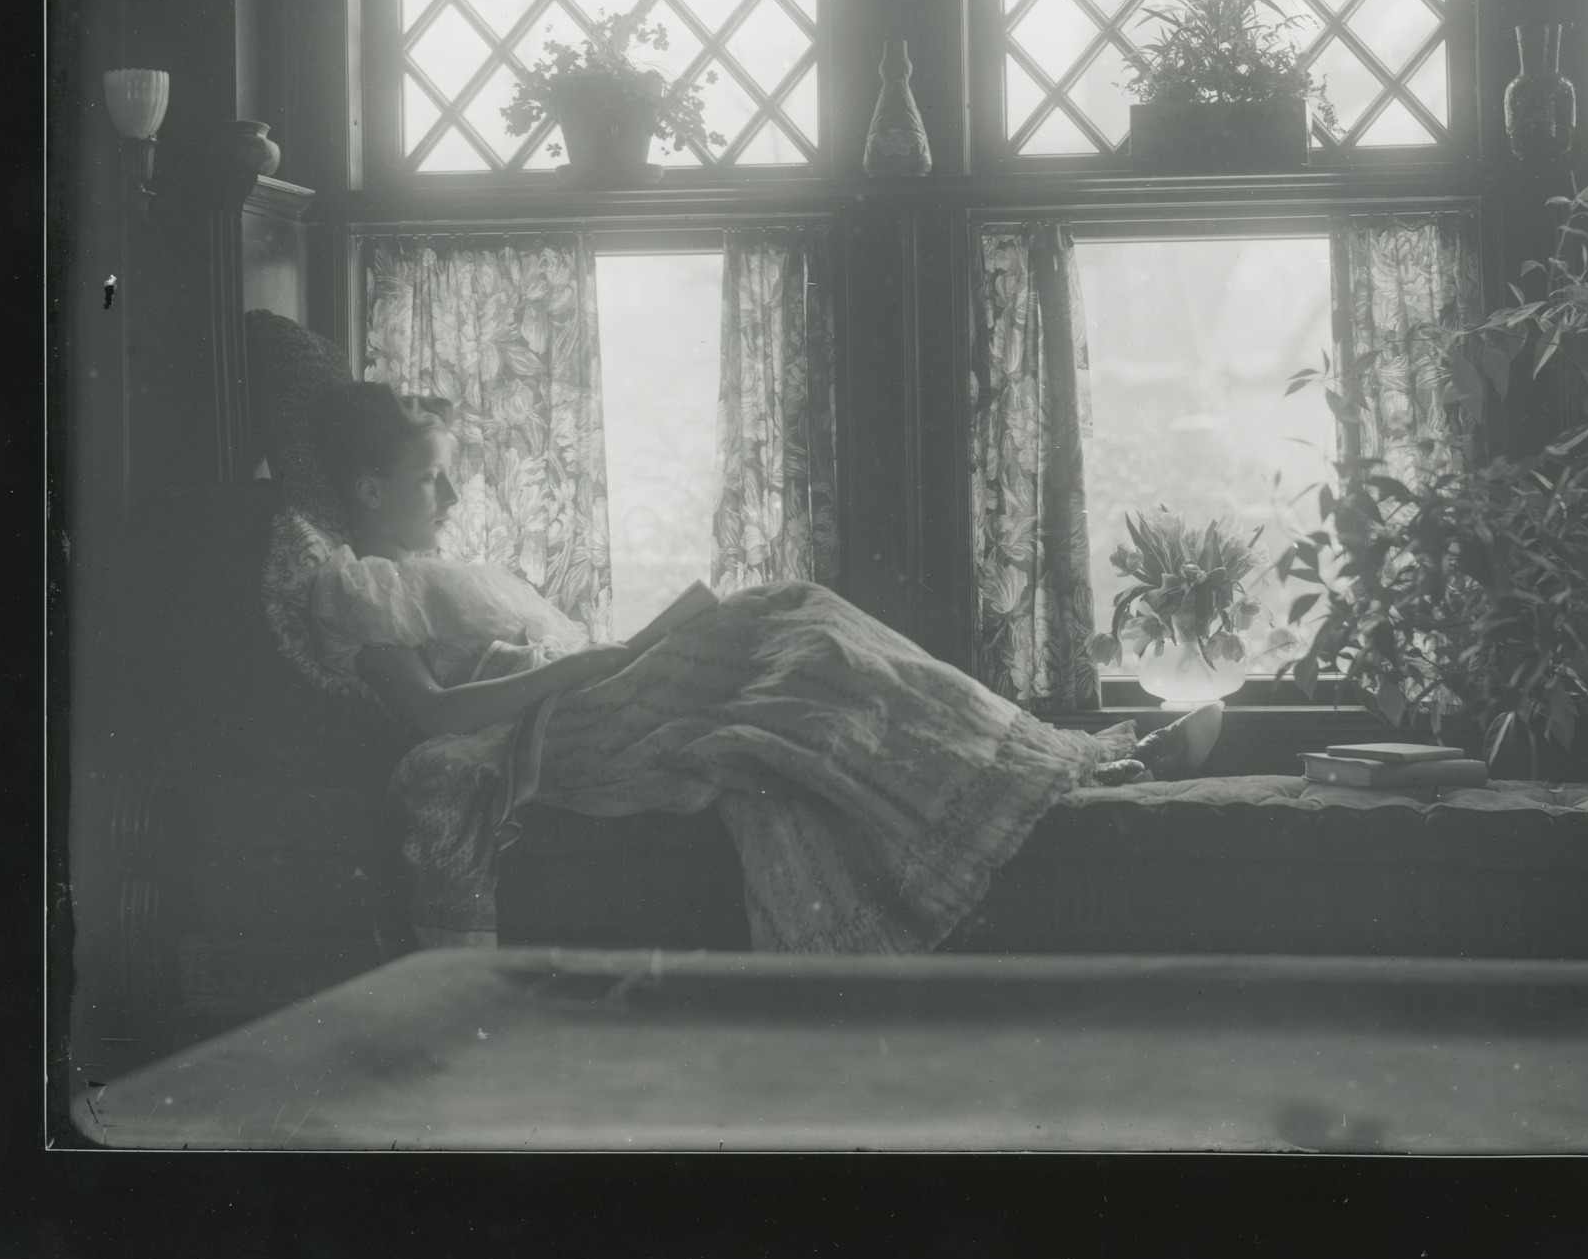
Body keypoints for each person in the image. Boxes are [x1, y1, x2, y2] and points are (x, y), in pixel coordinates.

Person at [308, 383, 1223, 952]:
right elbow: (432, 716)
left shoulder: (445, 570)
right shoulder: (366, 587)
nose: (454, 493)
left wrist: (607, 654)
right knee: (800, 628)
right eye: (432, 476)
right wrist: (579, 666)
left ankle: (1064, 762)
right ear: (370, 491)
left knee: (803, 625)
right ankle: (1069, 764)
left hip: (589, 688)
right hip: (554, 736)